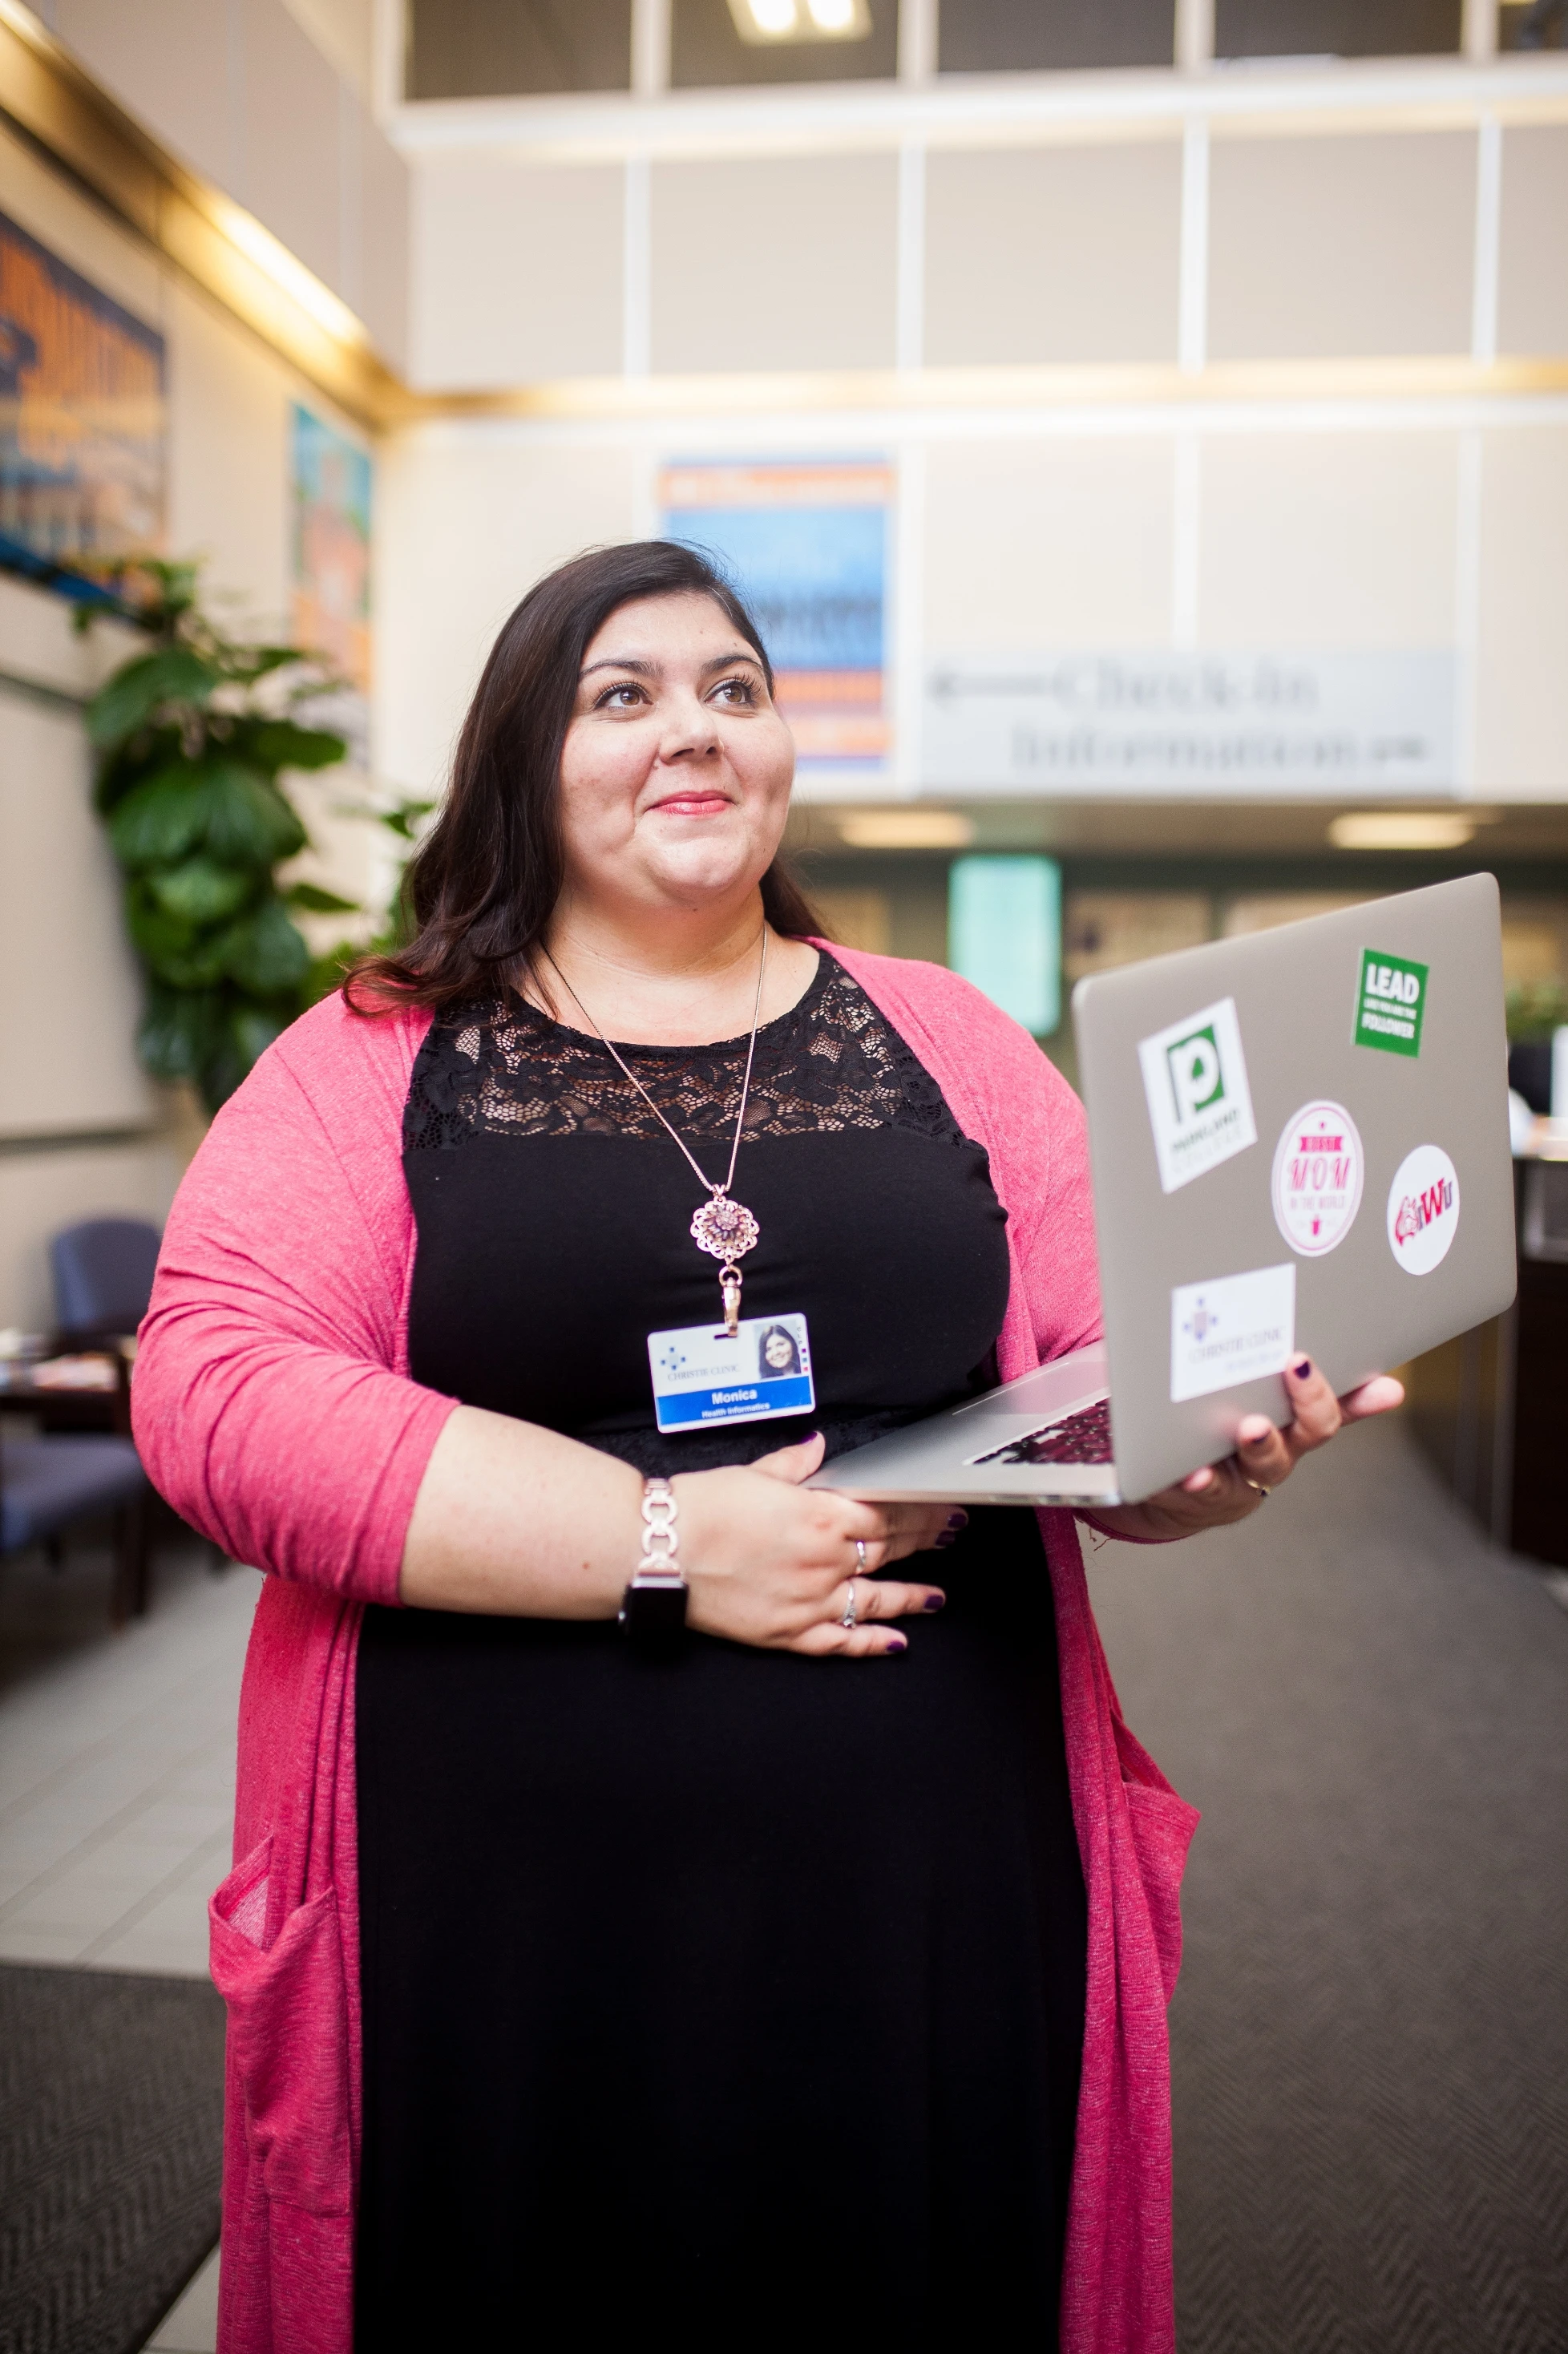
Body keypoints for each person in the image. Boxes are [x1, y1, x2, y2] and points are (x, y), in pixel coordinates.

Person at [132, 541, 1401, 2354]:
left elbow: (1095, 1360)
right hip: (492, 1930)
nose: (696, 732)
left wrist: (1198, 1447)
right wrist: (666, 1539)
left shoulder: (947, 1038)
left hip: (931, 1898)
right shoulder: (375, 1055)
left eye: (736, 690)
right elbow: (217, 1381)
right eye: (623, 695)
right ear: (521, 761)